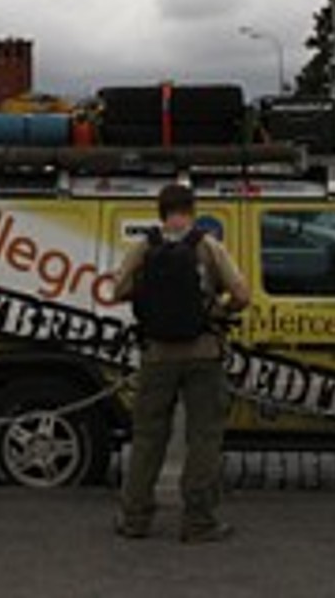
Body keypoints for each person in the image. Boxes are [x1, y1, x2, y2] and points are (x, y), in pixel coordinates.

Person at [115, 182, 251, 544]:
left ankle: (135, 517)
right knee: (203, 437)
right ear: (192, 209)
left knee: (147, 436)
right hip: (203, 352)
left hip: (156, 354)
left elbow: (117, 290)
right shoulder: (208, 246)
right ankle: (198, 521)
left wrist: (148, 295)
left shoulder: (145, 246)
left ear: (160, 212)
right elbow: (242, 295)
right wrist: (217, 308)